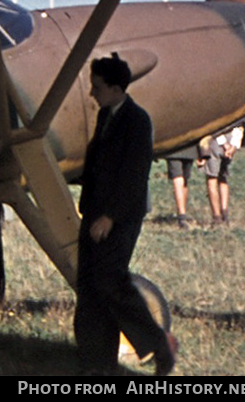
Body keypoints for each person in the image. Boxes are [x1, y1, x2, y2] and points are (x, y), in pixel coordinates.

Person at [74, 53, 176, 375]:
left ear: (117, 88)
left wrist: (110, 217)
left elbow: (134, 174)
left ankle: (158, 344)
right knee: (90, 287)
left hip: (118, 218)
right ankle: (97, 362)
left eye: (98, 88)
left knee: (110, 282)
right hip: (94, 213)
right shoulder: (108, 116)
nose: (93, 94)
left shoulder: (136, 121)